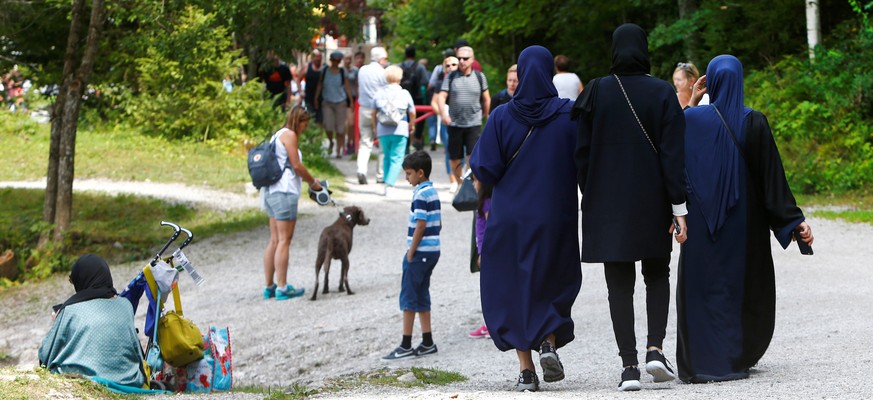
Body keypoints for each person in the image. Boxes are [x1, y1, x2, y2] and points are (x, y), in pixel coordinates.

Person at [677, 54, 814, 383]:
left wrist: (693, 101)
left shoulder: (693, 120)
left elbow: (673, 149)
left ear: (708, 80)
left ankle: (701, 360)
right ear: (739, 81)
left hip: (701, 223)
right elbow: (771, 181)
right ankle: (737, 353)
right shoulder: (754, 121)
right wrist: (792, 221)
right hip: (745, 225)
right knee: (742, 286)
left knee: (703, 288)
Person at [572, 23, 688, 391]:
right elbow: (673, 155)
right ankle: (656, 349)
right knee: (657, 275)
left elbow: (581, 154)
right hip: (652, 201)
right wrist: (679, 207)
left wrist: (590, 193)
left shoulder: (596, 91)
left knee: (618, 285)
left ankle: (629, 368)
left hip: (607, 203)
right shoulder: (663, 93)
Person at [470, 45, 581, 392]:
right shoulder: (569, 115)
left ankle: (526, 371)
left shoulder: (502, 116)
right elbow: (585, 160)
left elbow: (485, 167)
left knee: (513, 286)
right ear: (549, 72)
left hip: (511, 216)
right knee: (550, 278)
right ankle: (548, 340)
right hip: (555, 214)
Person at [38, 255, 146, 389]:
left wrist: (58, 321)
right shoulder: (125, 304)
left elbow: (46, 354)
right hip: (129, 380)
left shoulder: (71, 310)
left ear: (81, 281)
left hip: (86, 380)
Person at [381, 150, 441, 361]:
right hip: (432, 252)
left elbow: (421, 225)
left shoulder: (420, 194)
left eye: (408, 173)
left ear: (420, 173)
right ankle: (427, 341)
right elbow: (438, 224)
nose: (406, 177)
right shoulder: (432, 192)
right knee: (422, 295)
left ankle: (405, 344)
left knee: (408, 298)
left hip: (420, 253)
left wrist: (411, 252)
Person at [262, 106, 324, 300]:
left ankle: (269, 286)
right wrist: (313, 182)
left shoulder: (277, 135)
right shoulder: (290, 135)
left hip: (271, 191)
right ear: (299, 121)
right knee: (284, 241)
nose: (306, 128)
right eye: (305, 123)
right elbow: (296, 165)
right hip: (285, 191)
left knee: (274, 240)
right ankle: (282, 287)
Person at [436, 46, 490, 189]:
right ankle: (461, 185)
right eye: (459, 58)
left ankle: (473, 184)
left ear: (472, 60)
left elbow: (486, 97)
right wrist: (444, 114)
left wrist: (486, 113)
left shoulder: (479, 76)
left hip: (473, 123)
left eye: (465, 58)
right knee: (454, 158)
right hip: (454, 123)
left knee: (473, 157)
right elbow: (441, 96)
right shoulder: (451, 76)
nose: (461, 61)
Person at [372, 65, 416, 196]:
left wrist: (375, 127)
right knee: (397, 158)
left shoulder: (379, 93)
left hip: (383, 129)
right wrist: (411, 124)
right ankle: (390, 184)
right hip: (400, 128)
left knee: (386, 156)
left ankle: (386, 181)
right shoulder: (404, 93)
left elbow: (373, 112)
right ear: (400, 77)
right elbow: (412, 111)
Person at [356, 47, 389, 185]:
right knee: (382, 143)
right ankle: (380, 175)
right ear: (381, 59)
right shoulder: (383, 72)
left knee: (365, 142)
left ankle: (361, 170)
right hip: (379, 111)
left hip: (363, 109)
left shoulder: (362, 70)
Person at [315, 51, 354, 159]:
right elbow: (320, 85)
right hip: (327, 102)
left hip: (341, 102)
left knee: (340, 129)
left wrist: (350, 101)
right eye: (334, 60)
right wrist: (316, 98)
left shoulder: (342, 72)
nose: (336, 63)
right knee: (328, 126)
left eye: (338, 61)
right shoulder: (325, 71)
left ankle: (338, 150)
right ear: (331, 60)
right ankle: (331, 141)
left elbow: (347, 87)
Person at [468, 178, 492, 339]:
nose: (473, 185)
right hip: (484, 250)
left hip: (489, 253)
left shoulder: (487, 203)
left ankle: (493, 324)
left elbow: (490, 228)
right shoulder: (483, 201)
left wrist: (483, 253)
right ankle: (489, 323)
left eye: (476, 181)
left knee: (491, 289)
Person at [399, 46, 430, 151]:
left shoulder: (400, 66)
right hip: (417, 98)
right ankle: (418, 139)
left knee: (404, 120)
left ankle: (406, 144)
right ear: (414, 55)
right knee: (419, 120)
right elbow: (425, 82)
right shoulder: (420, 67)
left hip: (402, 99)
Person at [300, 50, 325, 123]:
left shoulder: (324, 68)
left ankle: (319, 133)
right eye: (317, 57)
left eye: (320, 57)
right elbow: (298, 78)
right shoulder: (307, 66)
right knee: (310, 117)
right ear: (312, 58)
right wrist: (300, 91)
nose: (318, 59)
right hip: (309, 97)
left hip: (322, 98)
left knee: (320, 119)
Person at [343, 53, 360, 156]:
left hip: (353, 98)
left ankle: (351, 142)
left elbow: (357, 85)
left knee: (351, 123)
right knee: (345, 124)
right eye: (346, 59)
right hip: (342, 98)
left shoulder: (355, 71)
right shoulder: (341, 71)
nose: (348, 60)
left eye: (350, 58)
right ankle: (346, 144)